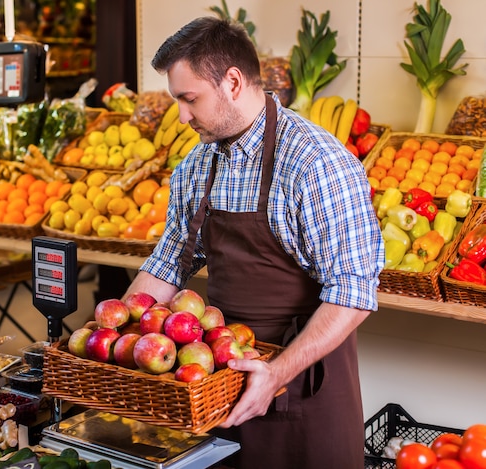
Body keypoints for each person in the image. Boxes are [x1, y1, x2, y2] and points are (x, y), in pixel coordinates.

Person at [122, 16, 384, 469]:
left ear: (233, 82)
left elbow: (353, 295)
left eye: (190, 99)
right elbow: (167, 264)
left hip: (301, 384)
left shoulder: (315, 163)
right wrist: (115, 339)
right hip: (215, 375)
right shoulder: (196, 167)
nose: (182, 116)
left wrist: (276, 373)